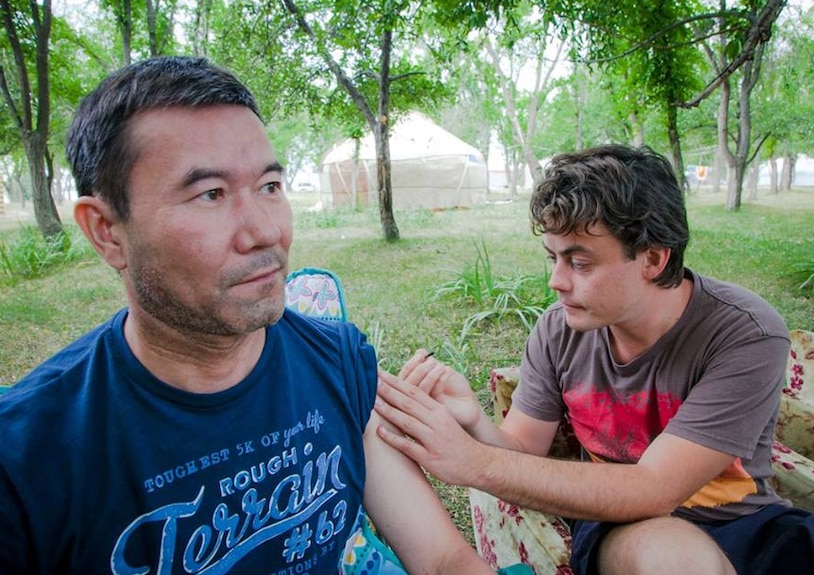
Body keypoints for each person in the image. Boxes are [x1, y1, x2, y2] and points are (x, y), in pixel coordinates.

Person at [0, 56, 496, 575]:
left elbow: (443, 559)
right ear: (106, 231)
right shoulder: (30, 457)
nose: (265, 233)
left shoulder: (339, 364)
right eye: (210, 194)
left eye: (269, 187)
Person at [374, 144, 814, 575]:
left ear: (653, 259)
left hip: (750, 523)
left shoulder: (743, 332)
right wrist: (474, 421)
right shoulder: (558, 329)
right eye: (554, 258)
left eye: (580, 262)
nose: (557, 282)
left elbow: (655, 483)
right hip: (627, 527)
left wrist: (472, 463)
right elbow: (527, 450)